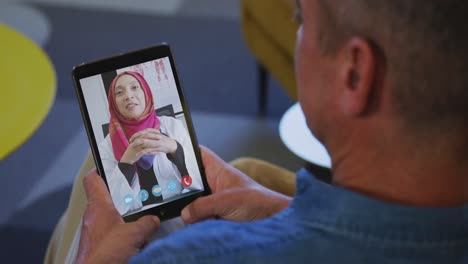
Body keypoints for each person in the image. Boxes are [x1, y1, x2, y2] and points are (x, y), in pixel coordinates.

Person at [46, 0, 468, 263]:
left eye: (301, 17)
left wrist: (92, 260)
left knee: (84, 208)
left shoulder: (194, 256)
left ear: (354, 74)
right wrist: (285, 212)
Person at [100, 71, 203, 215]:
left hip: (181, 210)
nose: (128, 96)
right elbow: (113, 207)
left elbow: (199, 182)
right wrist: (126, 162)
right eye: (119, 92)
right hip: (136, 222)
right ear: (113, 102)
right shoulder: (106, 146)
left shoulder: (173, 126)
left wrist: (174, 148)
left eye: (135, 87)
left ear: (146, 93)